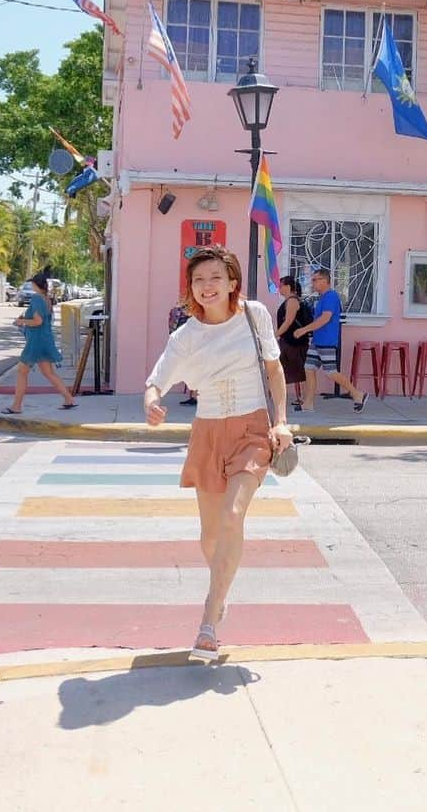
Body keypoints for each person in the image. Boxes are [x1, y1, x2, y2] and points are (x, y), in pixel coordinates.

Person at [144, 245, 293, 663]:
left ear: (232, 283)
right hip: (208, 432)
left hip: (252, 429)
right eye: (198, 280)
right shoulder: (186, 335)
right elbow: (156, 381)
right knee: (211, 537)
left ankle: (209, 620)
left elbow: (274, 370)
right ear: (191, 288)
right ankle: (222, 591)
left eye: (215, 278)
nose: (206, 287)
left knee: (233, 516)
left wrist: (280, 421)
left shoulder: (254, 315)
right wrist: (151, 403)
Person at [293, 267, 368, 412]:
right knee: (309, 368)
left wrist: (304, 330)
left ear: (324, 281)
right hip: (317, 341)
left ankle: (357, 394)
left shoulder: (331, 297)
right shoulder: (323, 298)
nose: (312, 283)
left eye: (315, 280)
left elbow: (325, 319)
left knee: (331, 372)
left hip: (326, 341)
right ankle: (308, 403)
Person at [4, 267, 76, 414]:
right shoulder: (47, 299)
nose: (31, 286)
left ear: (36, 285)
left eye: (32, 284)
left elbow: (38, 321)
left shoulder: (37, 298)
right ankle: (68, 399)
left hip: (36, 342)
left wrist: (22, 321)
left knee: (22, 372)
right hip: (46, 339)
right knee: (49, 373)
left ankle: (16, 406)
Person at [276, 276, 311, 409]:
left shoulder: (292, 301)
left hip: (294, 342)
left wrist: (275, 335)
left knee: (297, 371)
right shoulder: (290, 301)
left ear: (288, 287)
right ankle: (299, 398)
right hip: (291, 341)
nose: (279, 288)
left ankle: (303, 399)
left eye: (281, 286)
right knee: (294, 370)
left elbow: (288, 321)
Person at [168, 297, 198, 407]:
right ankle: (195, 396)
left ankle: (194, 396)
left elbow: (172, 328)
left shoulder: (178, 312)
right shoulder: (195, 313)